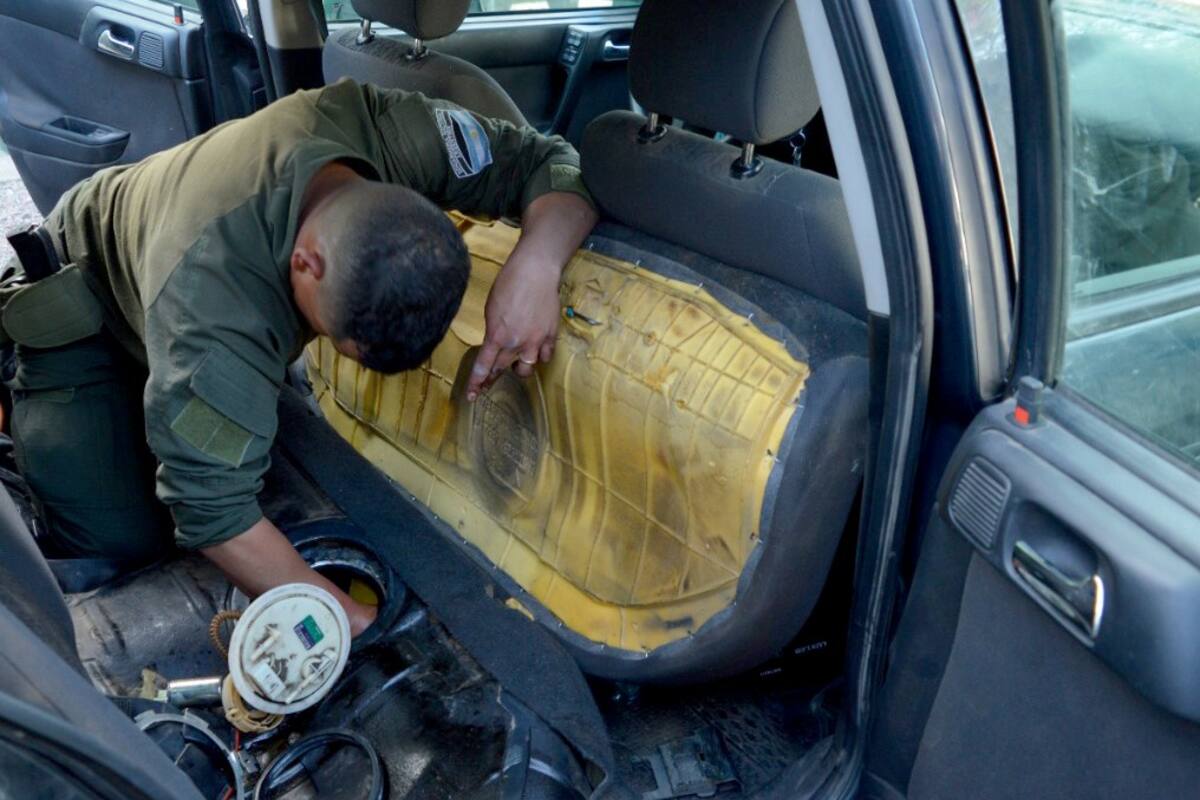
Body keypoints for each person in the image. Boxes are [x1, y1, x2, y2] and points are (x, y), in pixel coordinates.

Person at [0, 79, 597, 635]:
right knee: (120, 547)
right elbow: (209, 511)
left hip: (169, 277)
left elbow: (551, 161)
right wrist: (352, 621)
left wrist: (537, 264)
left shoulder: (393, 133)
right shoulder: (216, 307)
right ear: (305, 263)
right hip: (85, 304)